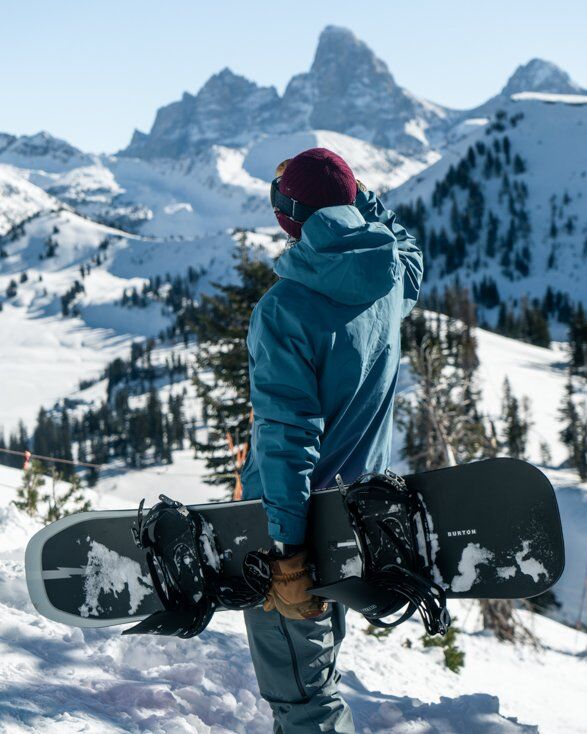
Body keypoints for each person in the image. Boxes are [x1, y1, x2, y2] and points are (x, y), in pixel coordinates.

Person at [240, 148, 423, 733]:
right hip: (358, 516)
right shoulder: (389, 278)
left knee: (303, 701)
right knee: (318, 679)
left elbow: (288, 437)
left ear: (288, 219)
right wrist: (356, 199)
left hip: (289, 524)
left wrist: (285, 551)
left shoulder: (285, 309)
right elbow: (410, 247)